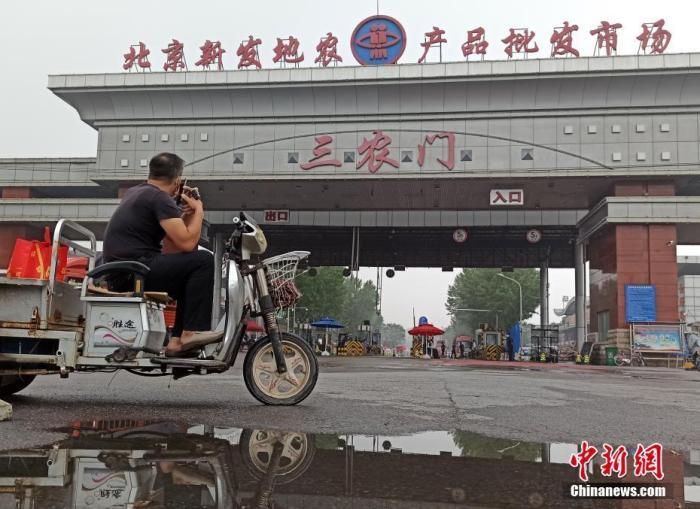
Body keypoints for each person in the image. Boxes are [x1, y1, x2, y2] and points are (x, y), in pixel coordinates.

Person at [102, 152, 218, 356]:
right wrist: (199, 210)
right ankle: (190, 333)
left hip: (124, 271)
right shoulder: (159, 198)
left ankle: (176, 341)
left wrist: (186, 216)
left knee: (188, 271)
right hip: (133, 272)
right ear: (178, 180)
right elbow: (188, 243)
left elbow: (180, 249)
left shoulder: (138, 192)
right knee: (205, 260)